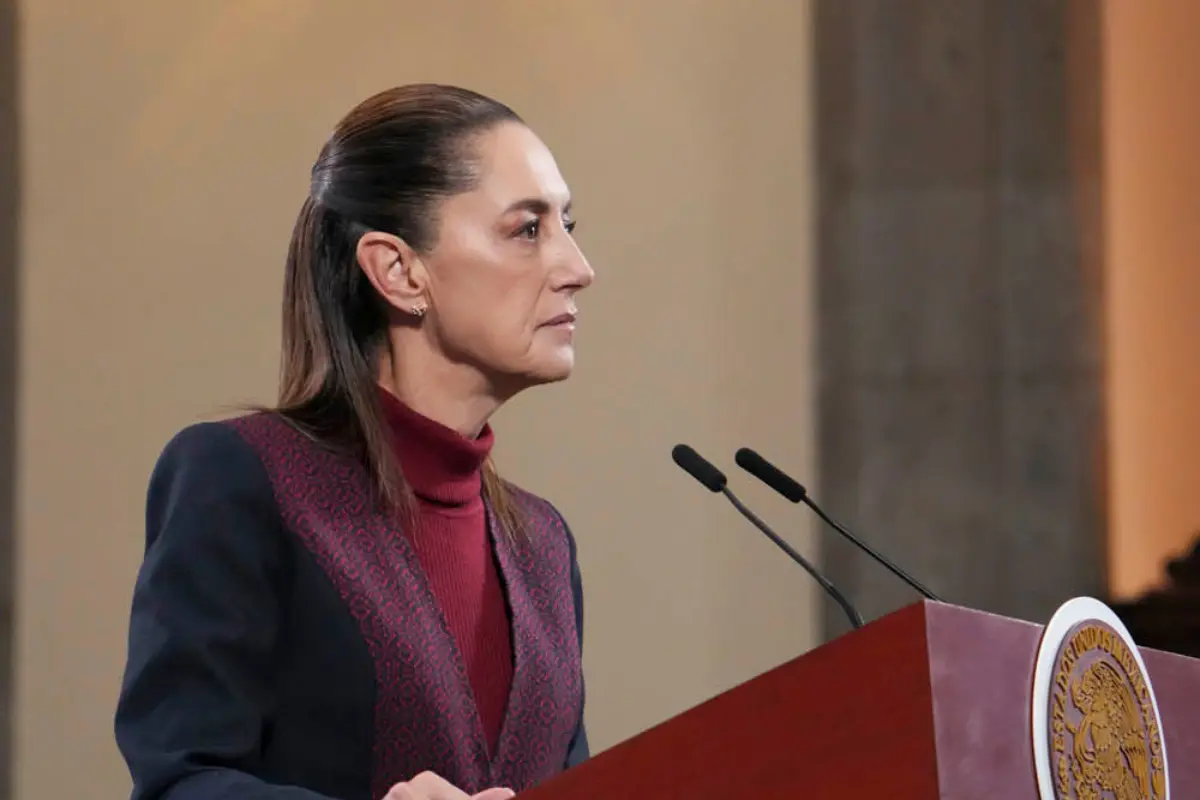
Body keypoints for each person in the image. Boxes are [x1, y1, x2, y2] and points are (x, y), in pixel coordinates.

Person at [114, 84, 595, 800]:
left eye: (568, 224)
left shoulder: (544, 545)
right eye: (528, 229)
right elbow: (179, 781)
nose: (578, 267)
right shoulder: (240, 479)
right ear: (399, 272)